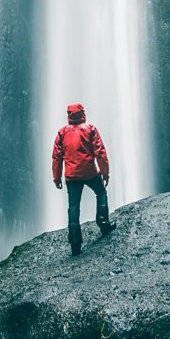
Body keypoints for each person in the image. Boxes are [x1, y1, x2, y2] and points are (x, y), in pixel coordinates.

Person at [52, 102, 116, 255]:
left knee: (73, 207)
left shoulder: (62, 132)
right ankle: (103, 223)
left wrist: (57, 177)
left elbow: (56, 157)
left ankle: (75, 242)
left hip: (71, 176)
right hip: (90, 172)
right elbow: (100, 152)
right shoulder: (90, 129)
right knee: (100, 193)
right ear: (83, 114)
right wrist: (105, 173)